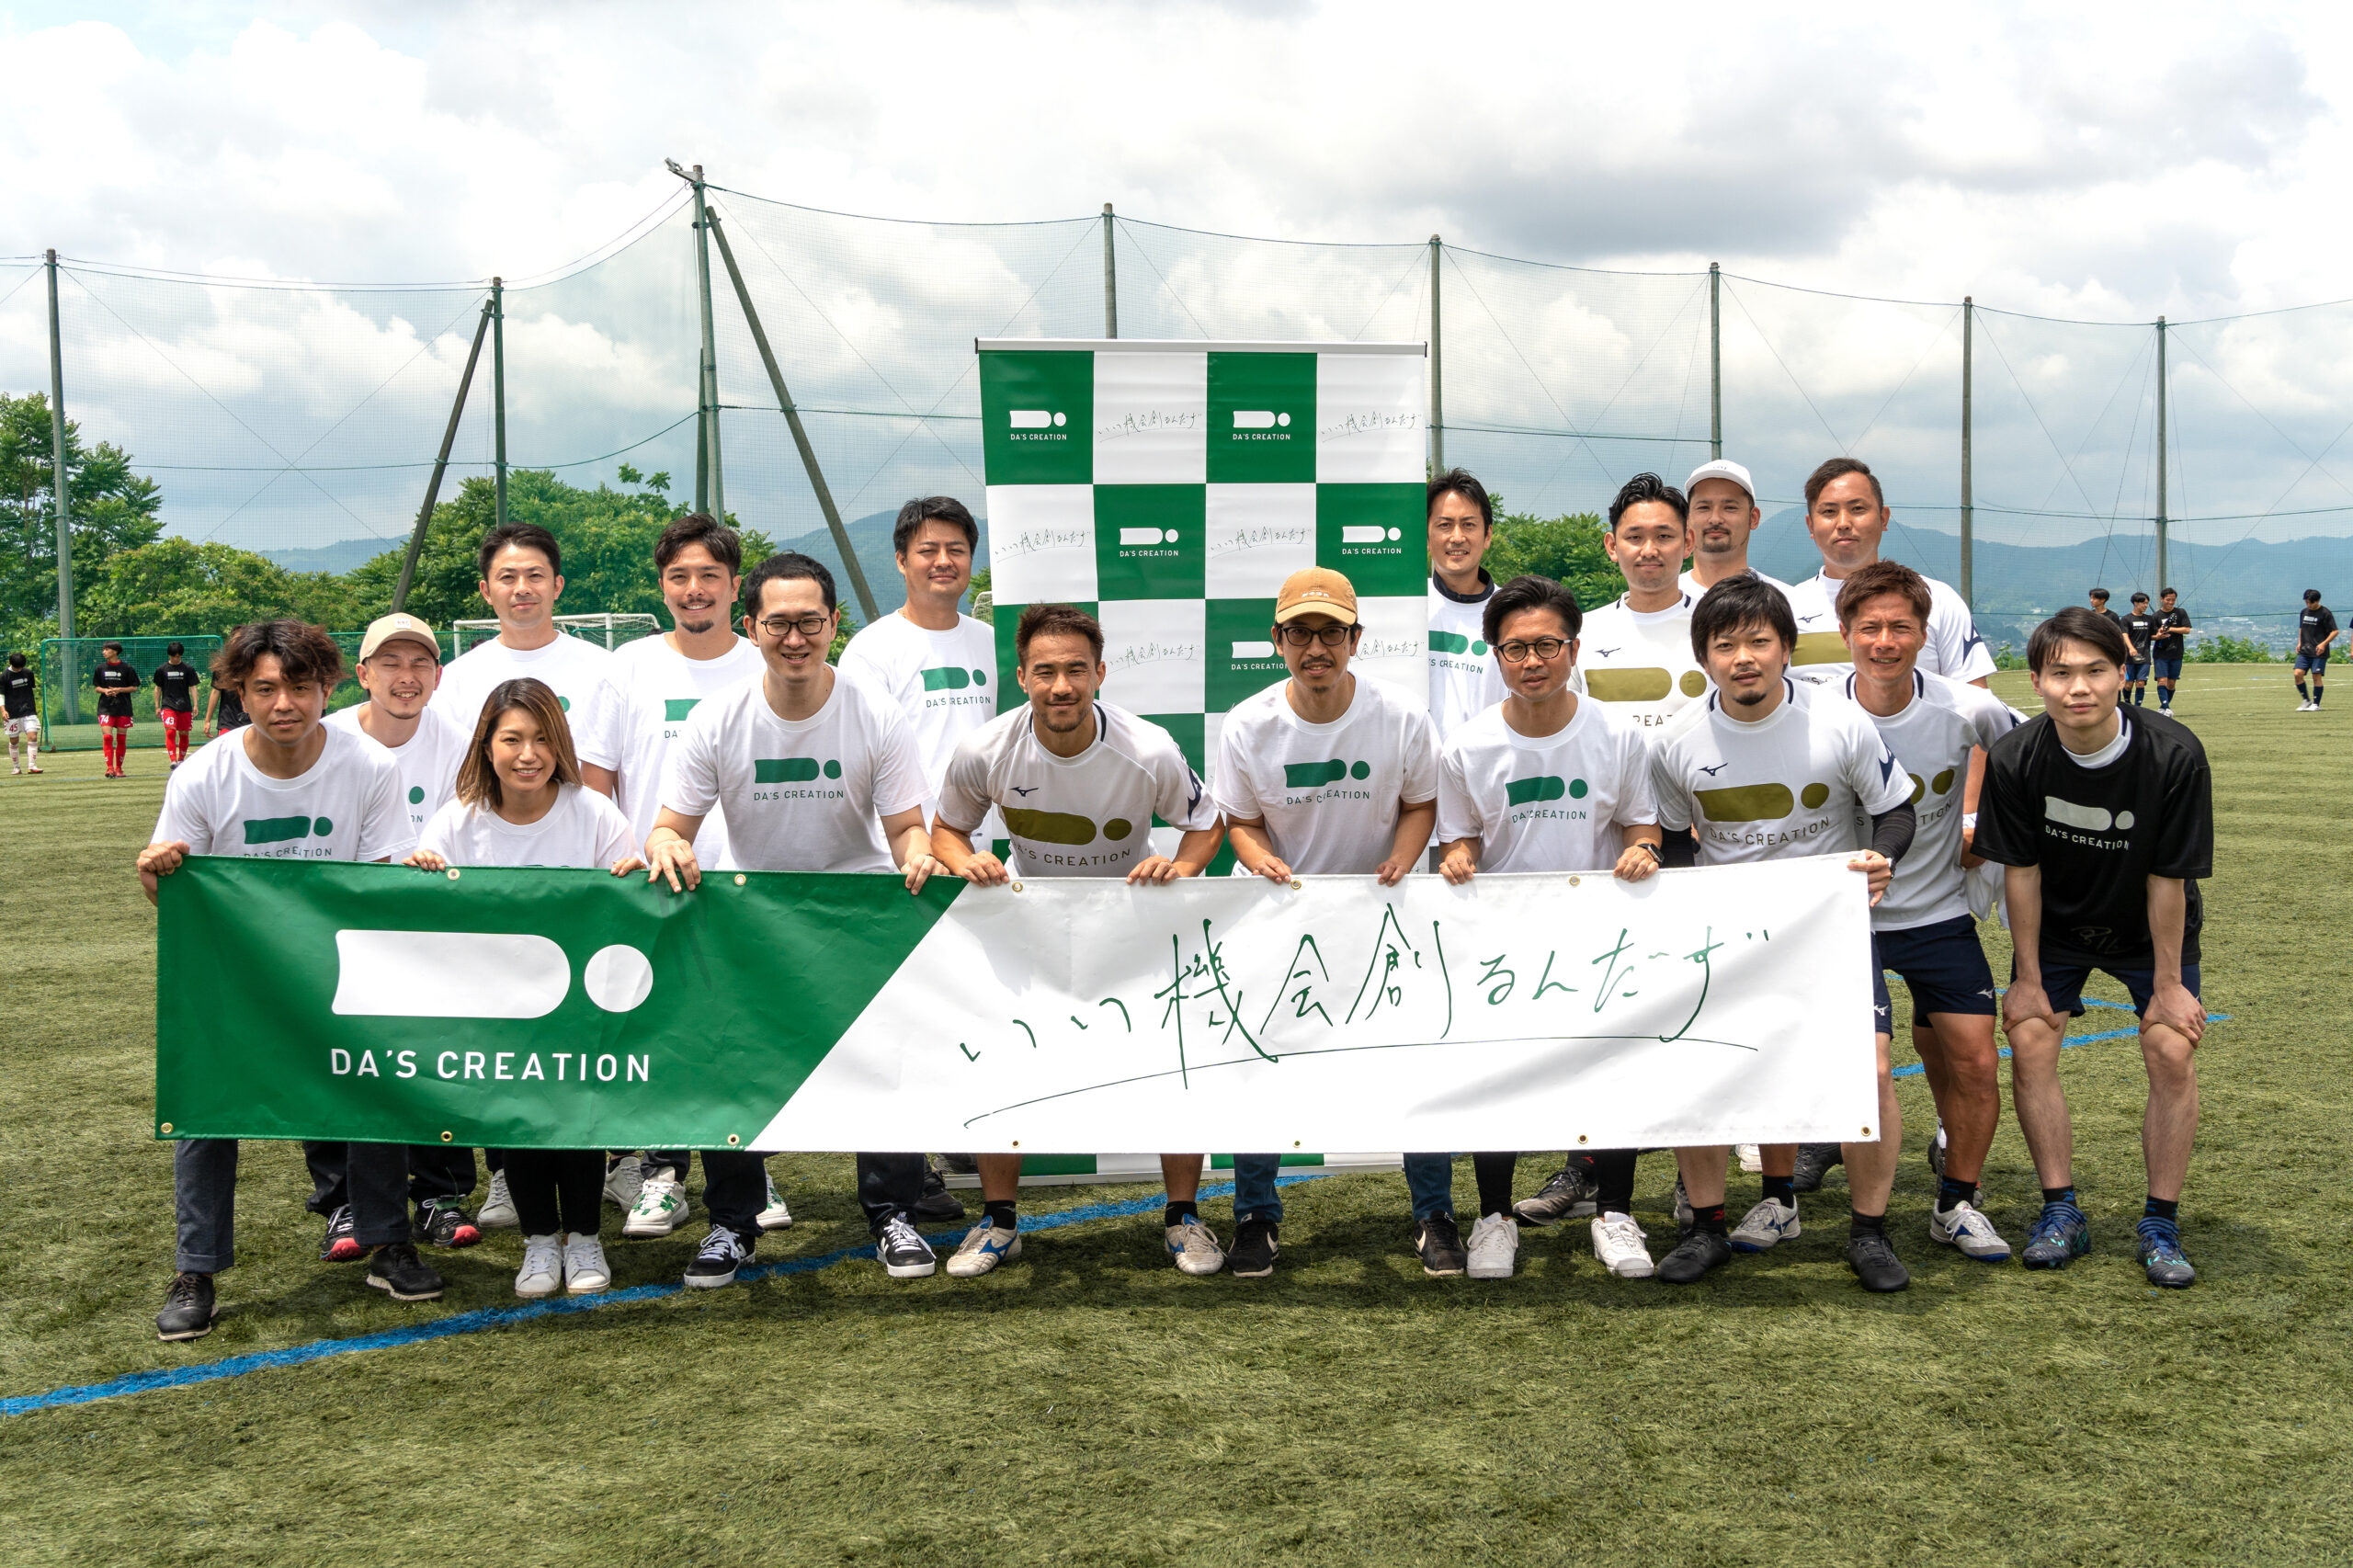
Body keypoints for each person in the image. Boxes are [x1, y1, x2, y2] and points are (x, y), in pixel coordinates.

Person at [643, 552, 946, 1288]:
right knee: (736, 1076)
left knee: (880, 1071)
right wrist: (666, 844)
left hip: (857, 920)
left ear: (833, 625)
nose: (795, 637)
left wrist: (919, 854)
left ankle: (892, 1214)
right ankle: (732, 1225)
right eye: (777, 622)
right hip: (754, 925)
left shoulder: (876, 711)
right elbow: (667, 826)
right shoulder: (718, 718)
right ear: (751, 629)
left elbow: (907, 825)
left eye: (810, 621)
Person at [140, 620, 438, 1341]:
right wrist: (156, 876)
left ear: (326, 687)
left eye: (299, 687)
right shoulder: (202, 775)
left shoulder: (368, 766)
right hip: (235, 981)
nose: (283, 704)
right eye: (265, 688)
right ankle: (196, 1268)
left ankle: (386, 1241)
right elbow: (175, 895)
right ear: (238, 691)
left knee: (377, 1083)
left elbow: (376, 888)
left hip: (342, 973)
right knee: (206, 1108)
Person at [930, 603, 1226, 1279]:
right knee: (1004, 1066)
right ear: (1022, 676)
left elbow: (1208, 824)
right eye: (1044, 672)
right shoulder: (986, 749)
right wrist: (961, 859)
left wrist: (1179, 868)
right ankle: (1000, 1221)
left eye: (1073, 670)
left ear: (1099, 672)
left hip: (1136, 933)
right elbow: (946, 830)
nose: (1060, 686)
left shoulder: (1147, 748)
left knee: (1171, 1066)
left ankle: (1183, 1217)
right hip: (1029, 932)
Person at [1647, 576, 1917, 1290]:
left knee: (1873, 1072)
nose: (1744, 658)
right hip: (1723, 935)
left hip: (1826, 929)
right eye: (1726, 644)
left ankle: (1870, 1233)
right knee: (1699, 1067)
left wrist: (1880, 857)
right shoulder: (1675, 741)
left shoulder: (1840, 722)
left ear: (1787, 650)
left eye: (1760, 642)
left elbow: (1896, 814)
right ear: (1704, 656)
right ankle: (1707, 1228)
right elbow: (1674, 842)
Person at [1972, 608, 2213, 1288]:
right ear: (2037, 682)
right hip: (2057, 927)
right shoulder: (2018, 756)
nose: (2079, 687)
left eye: (2095, 671)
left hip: (2148, 929)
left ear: (2121, 674)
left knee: (2170, 1045)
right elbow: (2022, 873)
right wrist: (2027, 976)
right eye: (2062, 673)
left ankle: (2160, 1222)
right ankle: (2060, 1213)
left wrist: (2168, 984)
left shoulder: (2174, 755)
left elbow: (2170, 878)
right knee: (2030, 1035)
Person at [1435, 574, 1664, 1280]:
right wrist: (1461, 858)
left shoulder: (1618, 735)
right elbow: (1457, 837)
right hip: (1502, 943)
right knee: (1498, 1077)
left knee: (1611, 1070)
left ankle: (1615, 1214)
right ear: (1494, 656)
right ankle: (1494, 1219)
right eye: (1514, 649)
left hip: (1601, 937)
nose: (1532, 661)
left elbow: (1644, 824)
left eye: (1546, 645)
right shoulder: (1467, 746)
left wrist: (1642, 849)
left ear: (1573, 648)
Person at [1219, 568, 1443, 1278]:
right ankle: (1257, 1214)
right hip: (1278, 919)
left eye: (1332, 632)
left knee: (1416, 1063)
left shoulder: (1402, 715)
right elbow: (1241, 824)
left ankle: (1434, 1213)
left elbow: (1420, 805)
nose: (1317, 647)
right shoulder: (1247, 724)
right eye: (1300, 633)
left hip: (1383, 917)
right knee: (1260, 1065)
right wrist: (1263, 866)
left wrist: (1401, 864)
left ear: (1355, 639)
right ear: (1277, 640)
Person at [406, 678, 643, 1297]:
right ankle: (540, 1243)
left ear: (560, 745)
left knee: (576, 1125)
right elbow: (421, 910)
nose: (528, 753)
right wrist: (423, 876)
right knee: (523, 1128)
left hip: (578, 1009)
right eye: (512, 738)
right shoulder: (459, 821)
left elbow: (630, 900)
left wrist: (632, 876)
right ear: (487, 745)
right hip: (497, 1011)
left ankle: (585, 1238)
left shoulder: (592, 810)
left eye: (541, 738)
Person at [432, 521, 631, 1219]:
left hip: (579, 886)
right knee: (505, 1047)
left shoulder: (602, 666)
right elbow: (457, 787)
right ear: (486, 590)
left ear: (558, 585)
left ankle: (620, 1162)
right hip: (501, 917)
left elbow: (606, 773)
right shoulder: (457, 680)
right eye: (508, 578)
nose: (522, 589)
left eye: (535, 576)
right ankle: (504, 1172)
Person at [1836, 562, 2021, 1263]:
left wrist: (1985, 836)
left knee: (1975, 1063)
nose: (1885, 642)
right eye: (1870, 628)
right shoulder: (1822, 712)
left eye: (1901, 628)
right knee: (1870, 1069)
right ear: (1846, 633)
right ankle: (1804, 1200)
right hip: (1852, 923)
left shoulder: (1966, 709)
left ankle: (1957, 1203)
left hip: (1942, 914)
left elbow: (2026, 767)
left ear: (1924, 634)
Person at [835, 494, 1002, 1228]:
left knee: (974, 1012)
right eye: (927, 550)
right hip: (904, 862)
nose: (943, 562)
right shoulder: (872, 649)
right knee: (900, 1025)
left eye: (956, 550)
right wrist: (915, 846)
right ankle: (907, 1180)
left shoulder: (993, 642)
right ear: (901, 560)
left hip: (985, 857)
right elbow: (861, 760)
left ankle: (965, 1137)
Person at [601, 514, 768, 1242]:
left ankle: (754, 1177)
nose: (694, 590)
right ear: (662, 586)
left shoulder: (770, 660)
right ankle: (662, 1178)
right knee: (662, 1038)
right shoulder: (628, 666)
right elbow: (594, 781)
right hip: (656, 884)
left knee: (745, 1035)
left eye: (709, 576)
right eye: (679, 578)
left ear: (735, 586)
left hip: (750, 884)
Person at [324, 611, 480, 1249]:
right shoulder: (327, 739)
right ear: (362, 674)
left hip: (435, 930)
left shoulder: (463, 740)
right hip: (345, 928)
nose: (406, 677)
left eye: (419, 664)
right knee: (340, 1062)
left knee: (436, 1060)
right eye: (390, 663)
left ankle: (440, 1195)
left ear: (439, 676)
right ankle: (341, 1201)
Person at [1782, 459, 1995, 691]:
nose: (1843, 523)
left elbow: (1976, 700)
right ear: (1810, 526)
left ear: (1884, 518)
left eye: (1858, 509)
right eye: (1829, 512)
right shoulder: (1786, 607)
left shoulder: (1939, 599)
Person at [1575, 472, 1705, 733]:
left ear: (1688, 543)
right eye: (1634, 538)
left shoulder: (1719, 627)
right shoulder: (1580, 633)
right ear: (1612, 546)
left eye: (1664, 537)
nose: (1649, 550)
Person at [1426, 467, 1508, 740]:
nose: (1457, 537)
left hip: (1484, 773)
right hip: (1411, 777)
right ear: (1426, 537)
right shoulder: (1407, 606)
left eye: (1469, 525)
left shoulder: (1512, 613)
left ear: (1487, 536)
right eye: (1444, 525)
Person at [1680, 459, 1796, 598]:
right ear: (1687, 520)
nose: (1715, 519)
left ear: (1753, 518)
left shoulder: (1788, 601)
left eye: (1730, 508)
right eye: (1703, 508)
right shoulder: (1661, 599)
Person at [93, 641, 141, 778]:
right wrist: (104, 691)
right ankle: (109, 769)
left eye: (106, 649)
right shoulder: (100, 668)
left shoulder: (127, 668)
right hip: (105, 707)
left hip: (123, 708)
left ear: (115, 651)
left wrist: (120, 690)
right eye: (104, 649)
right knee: (107, 737)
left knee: (121, 739)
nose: (104, 652)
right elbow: (97, 687)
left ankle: (119, 769)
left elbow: (134, 687)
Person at [153, 642, 201, 769]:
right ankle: (173, 760)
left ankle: (181, 760)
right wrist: (157, 706)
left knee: (184, 733)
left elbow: (193, 687)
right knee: (170, 731)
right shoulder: (161, 670)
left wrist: (195, 704)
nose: (176, 658)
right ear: (169, 655)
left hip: (184, 705)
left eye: (179, 656)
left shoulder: (188, 669)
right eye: (174, 656)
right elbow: (157, 688)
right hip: (168, 705)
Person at [2295, 588, 2337, 710]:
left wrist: (2323, 644)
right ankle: (2306, 701)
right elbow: (2301, 628)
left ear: (2317, 601)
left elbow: (2335, 631)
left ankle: (2316, 704)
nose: (2308, 605)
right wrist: (2299, 642)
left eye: (2311, 603)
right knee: (2298, 674)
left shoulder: (2325, 613)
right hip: (2304, 650)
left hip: (2319, 652)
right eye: (2307, 602)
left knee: (2316, 676)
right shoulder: (2304, 612)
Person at [2150, 588, 2191, 712]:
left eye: (2173, 600)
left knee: (2171, 683)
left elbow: (2187, 629)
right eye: (2168, 600)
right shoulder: (2156, 616)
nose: (2171, 602)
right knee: (2162, 680)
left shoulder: (2180, 612)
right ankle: (2166, 707)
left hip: (2176, 652)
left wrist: (2171, 629)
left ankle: (2163, 707)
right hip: (2161, 653)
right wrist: (2159, 634)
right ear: (2162, 599)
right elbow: (2151, 635)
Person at [204, 634, 249, 739]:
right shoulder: (221, 668)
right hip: (227, 721)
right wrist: (207, 720)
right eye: (236, 640)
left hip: (251, 722)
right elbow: (215, 692)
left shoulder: (254, 667)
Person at [3, 652, 40, 775]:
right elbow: (1, 695)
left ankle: (32, 766)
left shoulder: (28, 673)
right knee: (14, 740)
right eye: (16, 667)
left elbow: (32, 689)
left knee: (32, 736)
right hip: (12, 713)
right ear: (10, 663)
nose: (19, 670)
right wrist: (3, 710)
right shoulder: (4, 676)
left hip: (28, 710)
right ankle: (16, 767)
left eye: (21, 667)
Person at [2120, 593, 2158, 705]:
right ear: (2136, 603)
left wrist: (2160, 635)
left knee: (2141, 683)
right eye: (2143, 603)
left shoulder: (2149, 619)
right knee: (2129, 683)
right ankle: (2127, 703)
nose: (2146, 605)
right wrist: (2131, 648)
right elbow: (2124, 635)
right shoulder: (2126, 619)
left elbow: (2153, 635)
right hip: (2129, 657)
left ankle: (2138, 707)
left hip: (2145, 656)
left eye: (2147, 603)